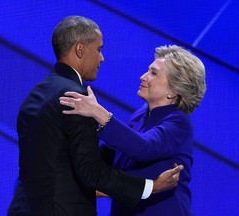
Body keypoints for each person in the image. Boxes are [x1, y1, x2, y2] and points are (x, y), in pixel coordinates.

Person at [7, 16, 184, 216]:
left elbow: (60, 164)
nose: (102, 58)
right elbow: (91, 171)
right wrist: (151, 187)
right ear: (80, 50)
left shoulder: (37, 94)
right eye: (99, 49)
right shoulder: (77, 99)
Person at [59, 45, 206, 215]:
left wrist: (97, 111)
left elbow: (142, 148)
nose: (143, 77)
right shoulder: (142, 114)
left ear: (174, 91)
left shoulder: (179, 124)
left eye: (153, 73)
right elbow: (111, 154)